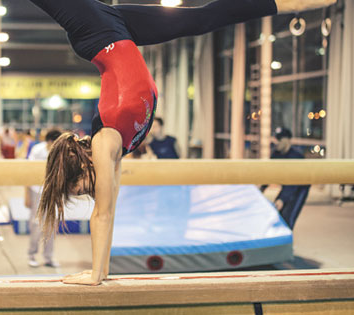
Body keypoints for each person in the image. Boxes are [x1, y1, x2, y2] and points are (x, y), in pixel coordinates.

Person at [31, 0, 337, 286]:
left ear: (82, 164)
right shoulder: (116, 150)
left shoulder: (105, 141)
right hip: (117, 31)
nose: (90, 191)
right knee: (203, 18)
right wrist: (104, 270)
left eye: (82, 187)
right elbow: (110, 211)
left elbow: (101, 213)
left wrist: (95, 275)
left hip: (96, 32)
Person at [25, 129, 63, 268]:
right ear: (48, 142)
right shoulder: (37, 150)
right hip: (37, 191)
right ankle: (32, 254)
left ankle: (48, 257)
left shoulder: (61, 151)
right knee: (36, 224)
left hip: (54, 191)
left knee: (52, 224)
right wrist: (27, 195)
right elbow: (26, 172)